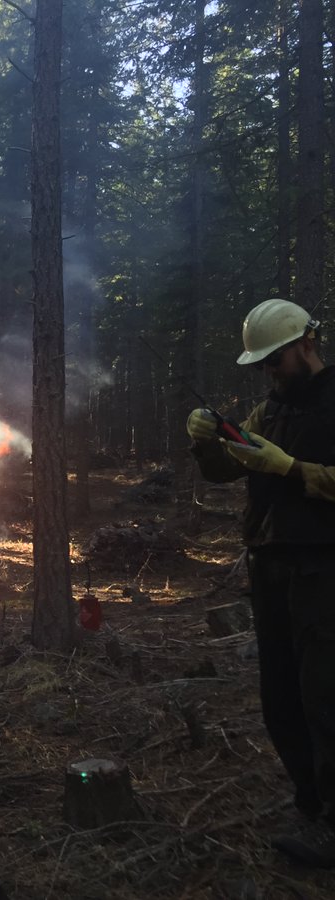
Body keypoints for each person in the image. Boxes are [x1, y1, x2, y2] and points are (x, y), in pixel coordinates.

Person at [188, 297, 335, 867]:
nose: (269, 372)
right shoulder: (267, 411)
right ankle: (311, 803)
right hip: (270, 568)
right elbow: (227, 465)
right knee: (282, 697)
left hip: (325, 569)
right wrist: (206, 439)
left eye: (275, 361)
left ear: (305, 345)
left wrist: (292, 470)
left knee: (326, 694)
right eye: (261, 366)